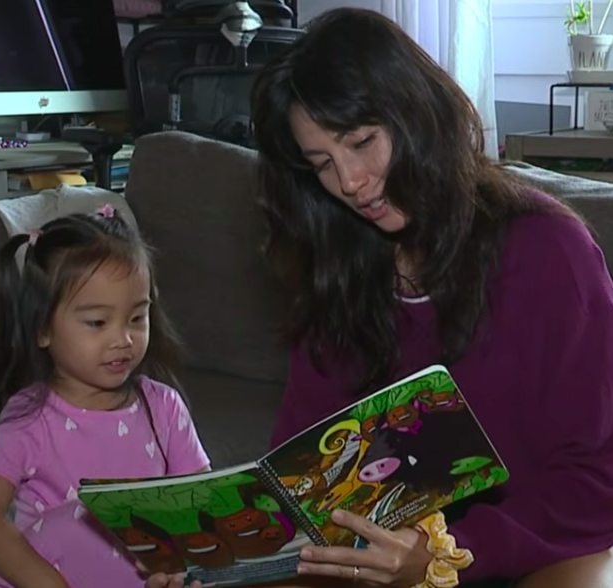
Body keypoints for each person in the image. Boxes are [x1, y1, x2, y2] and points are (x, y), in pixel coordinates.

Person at [146, 6, 613, 588]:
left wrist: (444, 553)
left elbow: (597, 479)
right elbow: (302, 474)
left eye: (362, 142)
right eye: (323, 164)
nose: (349, 182)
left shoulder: (549, 249)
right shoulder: (337, 269)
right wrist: (219, 565)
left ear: (417, 113)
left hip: (538, 543)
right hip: (380, 556)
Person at [0, 205, 211, 588]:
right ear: (42, 328)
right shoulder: (29, 416)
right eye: (97, 322)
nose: (123, 339)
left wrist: (186, 563)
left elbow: (201, 505)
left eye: (137, 318)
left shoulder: (164, 407)